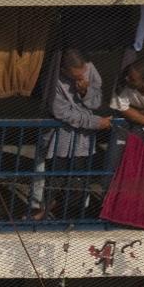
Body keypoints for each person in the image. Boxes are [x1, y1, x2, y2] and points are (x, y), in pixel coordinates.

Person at [33, 48, 111, 220]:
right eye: (75, 76)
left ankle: (73, 213)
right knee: (55, 176)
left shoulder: (90, 69)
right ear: (64, 71)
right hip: (60, 137)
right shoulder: (52, 79)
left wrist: (85, 92)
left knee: (79, 176)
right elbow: (62, 112)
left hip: (83, 139)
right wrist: (95, 122)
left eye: (83, 73)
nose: (81, 78)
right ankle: (44, 210)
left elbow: (97, 102)